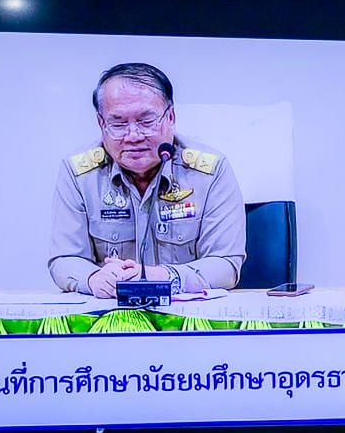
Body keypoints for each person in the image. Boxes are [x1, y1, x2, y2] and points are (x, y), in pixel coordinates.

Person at [48, 62, 248, 296]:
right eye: (118, 124)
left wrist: (163, 277)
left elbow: (225, 265)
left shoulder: (210, 172)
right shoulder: (79, 175)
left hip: (186, 313)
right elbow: (65, 258)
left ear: (170, 117)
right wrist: (93, 278)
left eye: (146, 121)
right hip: (110, 311)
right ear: (101, 124)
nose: (133, 136)